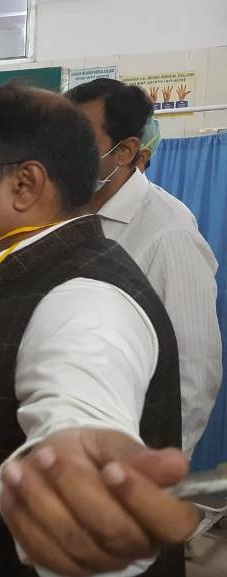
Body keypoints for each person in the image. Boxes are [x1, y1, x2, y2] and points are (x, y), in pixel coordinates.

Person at [0, 83, 196, 577]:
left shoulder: (85, 300)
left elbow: (79, 402)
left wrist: (80, 489)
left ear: (25, 185)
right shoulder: (25, 273)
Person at [67, 78, 221, 457]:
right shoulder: (67, 214)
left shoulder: (168, 233)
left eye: (78, 141)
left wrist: (149, 472)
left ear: (125, 152)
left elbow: (192, 374)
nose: (59, 155)